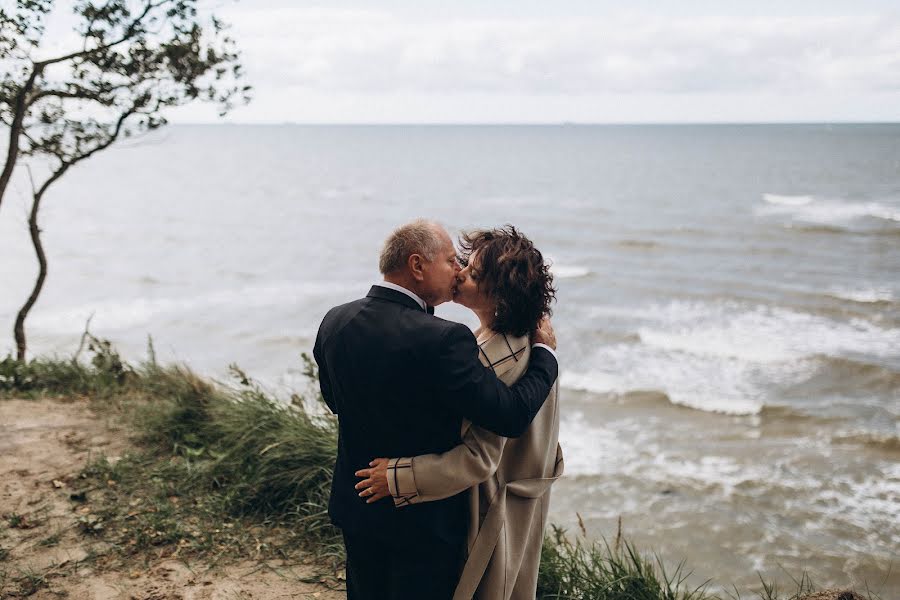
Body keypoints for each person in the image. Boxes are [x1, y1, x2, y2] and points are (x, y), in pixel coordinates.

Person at [312, 219, 558, 600]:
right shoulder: (446, 339)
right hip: (423, 521)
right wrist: (547, 357)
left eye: (468, 269)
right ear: (417, 266)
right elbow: (507, 414)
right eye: (451, 262)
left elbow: (334, 401)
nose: (457, 272)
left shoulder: (334, 320)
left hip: (357, 502)